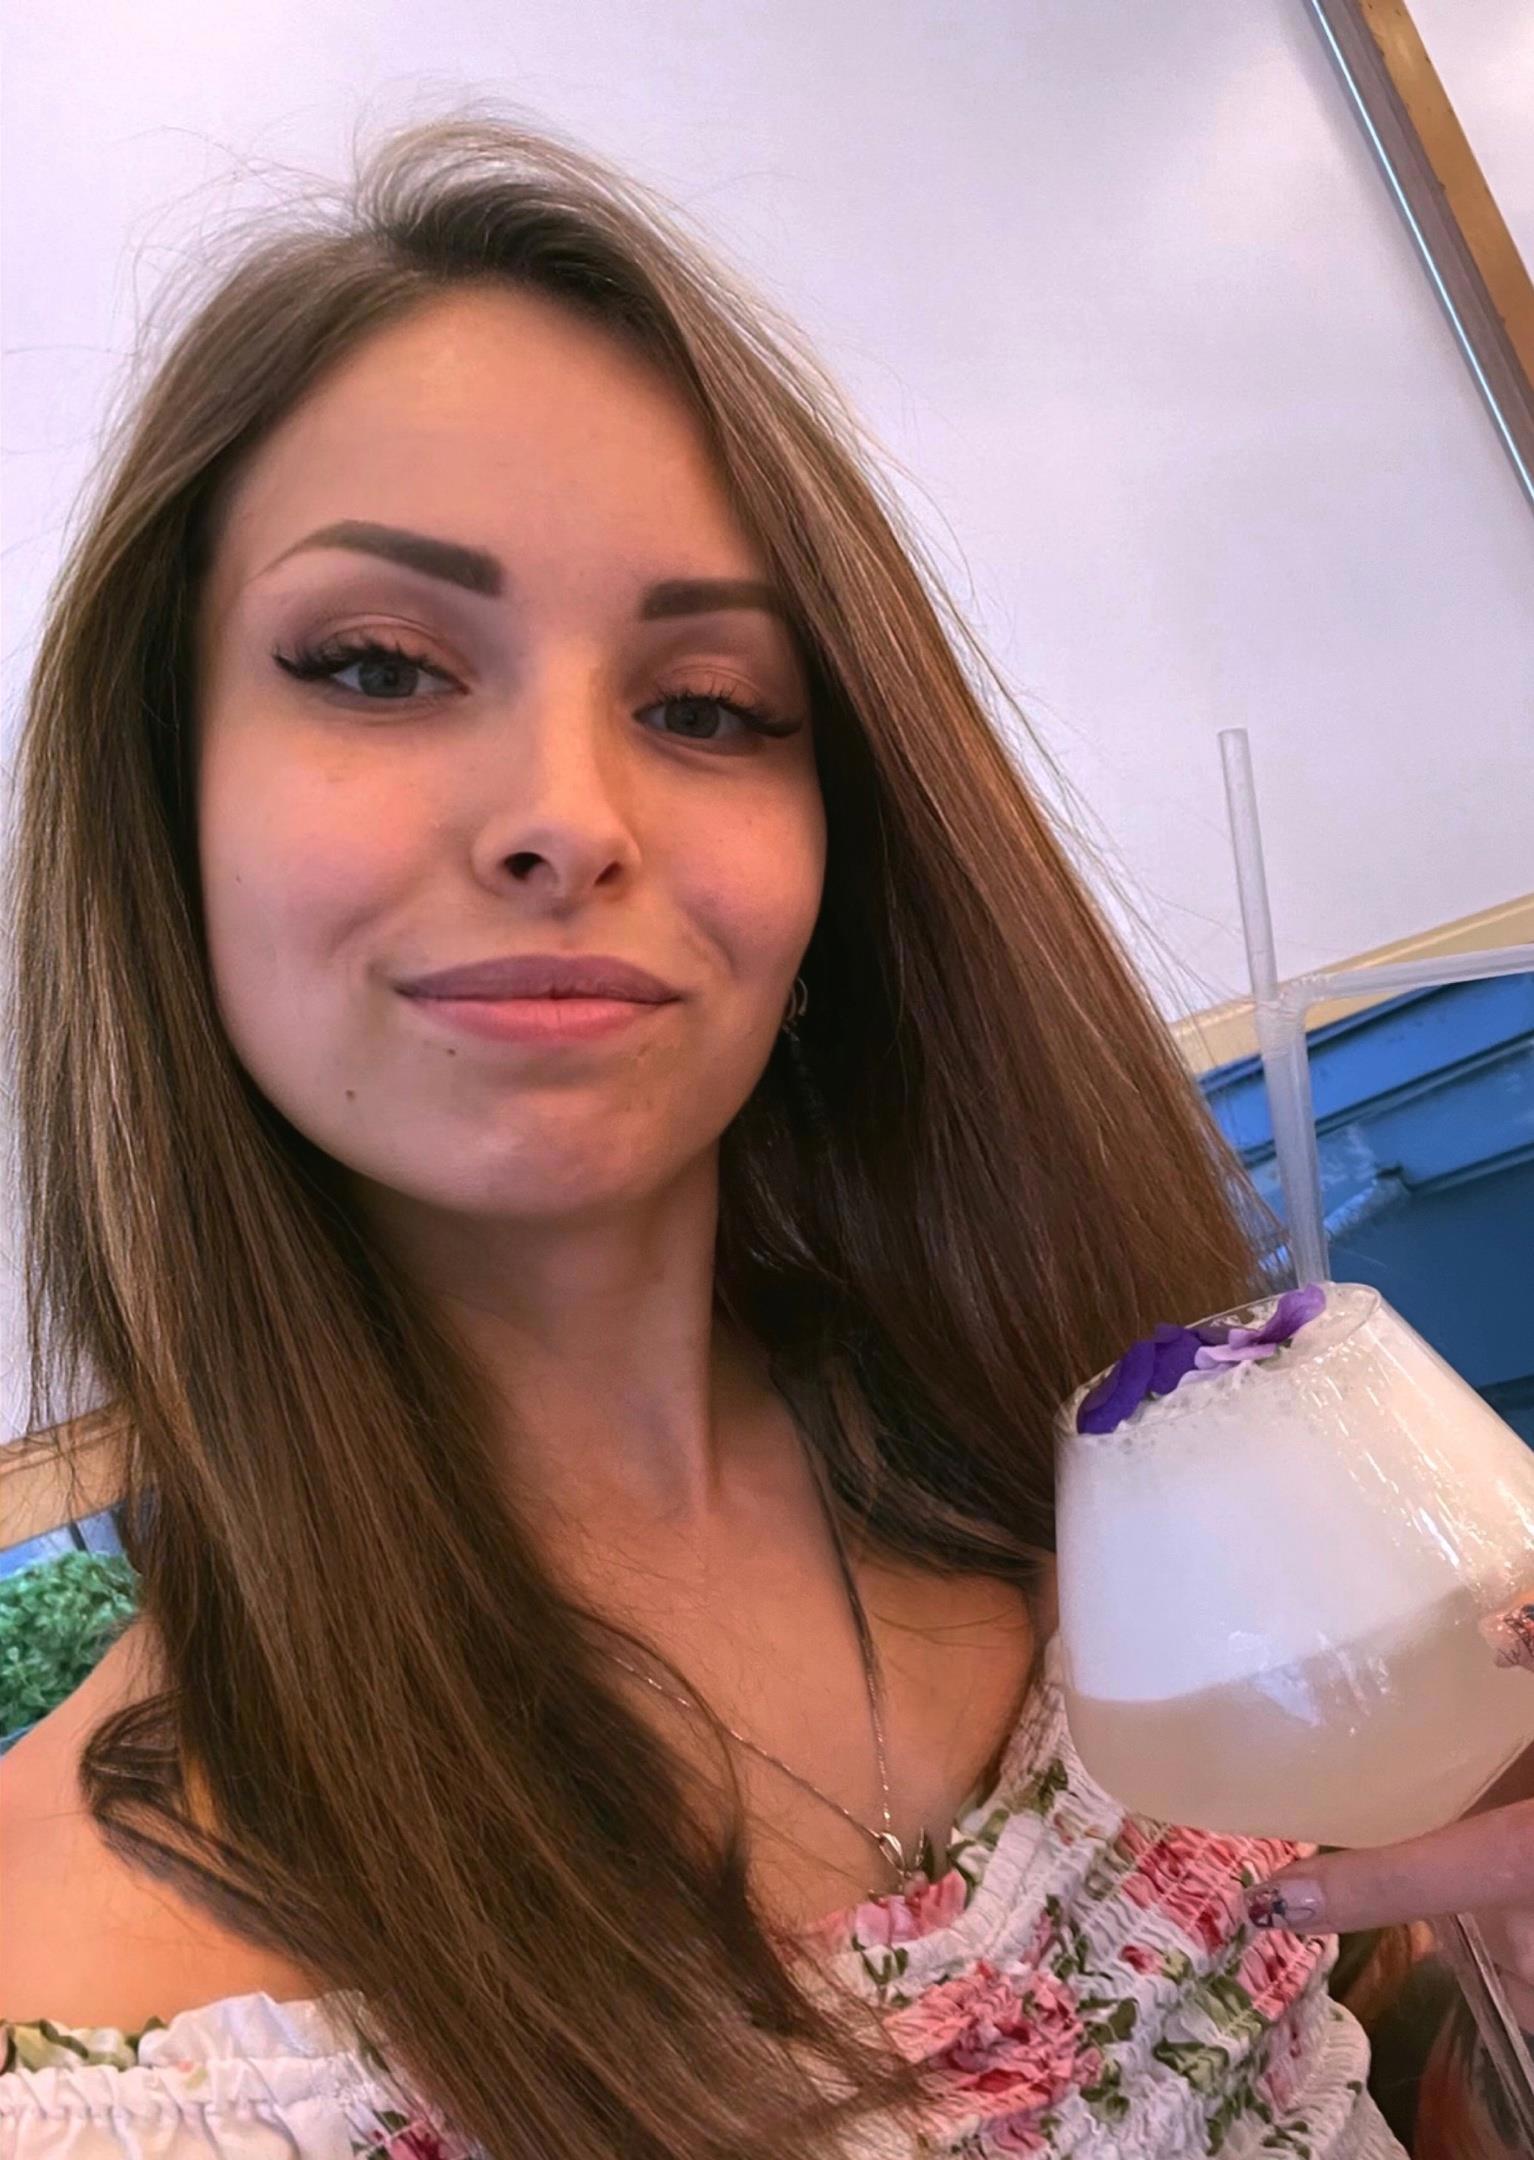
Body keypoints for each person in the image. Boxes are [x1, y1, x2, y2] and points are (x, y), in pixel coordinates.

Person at [0, 106, 1528, 2160]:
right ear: (163, 804)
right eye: (376, 665)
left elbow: (1394, 2041)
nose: (567, 817)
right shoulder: (92, 2063)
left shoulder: (1119, 1523)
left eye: (706, 705)